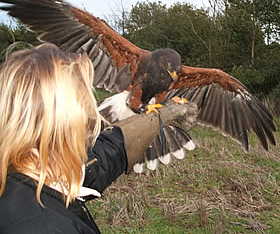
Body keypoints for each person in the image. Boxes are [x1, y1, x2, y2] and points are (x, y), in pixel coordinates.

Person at [0, 43, 198, 234]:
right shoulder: (49, 227)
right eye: (84, 101)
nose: (92, 112)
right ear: (61, 122)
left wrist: (158, 118)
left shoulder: (39, 170)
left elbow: (97, 162)